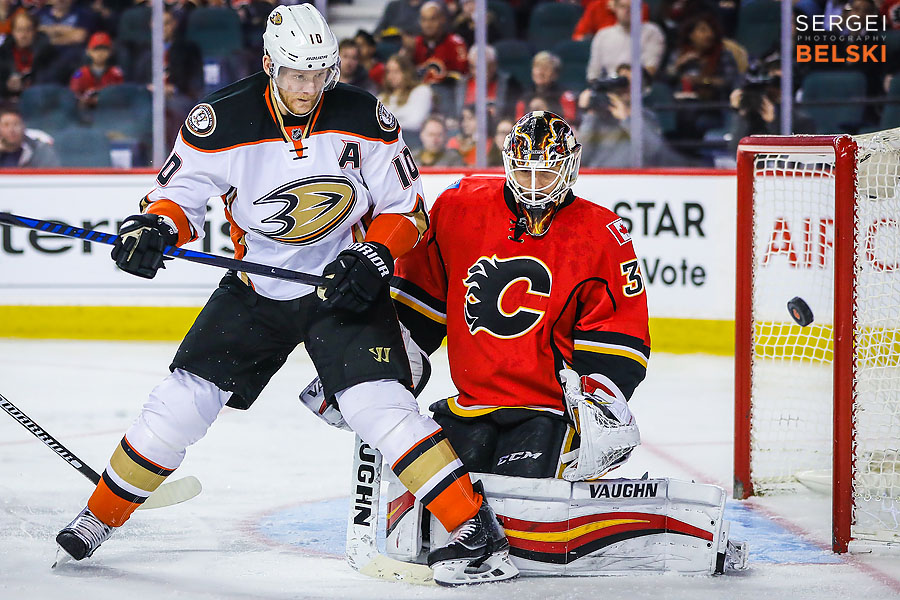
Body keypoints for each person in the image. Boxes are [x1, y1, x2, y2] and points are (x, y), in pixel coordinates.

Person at [53, 4, 517, 587]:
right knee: (181, 403)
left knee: (380, 406)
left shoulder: (364, 117)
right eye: (297, 75)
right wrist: (154, 230)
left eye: (320, 73)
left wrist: (374, 254)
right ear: (271, 65)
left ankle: (476, 532)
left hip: (341, 286)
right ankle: (99, 518)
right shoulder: (218, 122)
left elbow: (406, 210)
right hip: (255, 288)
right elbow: (179, 198)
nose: (308, 87)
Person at [390, 110, 650, 480]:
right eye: (524, 170)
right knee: (439, 497)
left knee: (523, 506)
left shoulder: (601, 232)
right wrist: (381, 363)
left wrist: (598, 402)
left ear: (569, 167)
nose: (533, 183)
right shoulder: (459, 206)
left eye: (545, 172)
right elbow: (423, 296)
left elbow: (619, 331)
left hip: (548, 410)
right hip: (470, 404)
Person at [586, 0, 665, 82]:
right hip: (609, 86)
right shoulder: (603, 35)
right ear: (615, 8)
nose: (627, 11)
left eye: (632, 7)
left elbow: (650, 69)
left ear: (640, 9)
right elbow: (593, 74)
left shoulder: (652, 32)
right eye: (623, 6)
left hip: (639, 87)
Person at [0, 10, 56, 101]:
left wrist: (29, 84)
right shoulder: (3, 52)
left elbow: (52, 80)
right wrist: (7, 85)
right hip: (7, 101)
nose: (23, 35)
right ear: (13, 32)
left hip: (38, 101)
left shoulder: (47, 52)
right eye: (19, 30)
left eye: (28, 30)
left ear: (35, 31)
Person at [413, 0, 468, 85]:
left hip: (449, 92)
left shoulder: (456, 44)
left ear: (442, 19)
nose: (428, 25)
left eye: (433, 19)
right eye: (424, 20)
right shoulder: (415, 44)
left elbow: (463, 77)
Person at [379, 53, 433, 134]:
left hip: (413, 139)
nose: (391, 76)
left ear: (407, 72)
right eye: (389, 72)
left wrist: (386, 126)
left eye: (396, 71)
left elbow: (415, 123)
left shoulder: (421, 91)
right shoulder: (382, 97)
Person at [68, 31, 122, 110]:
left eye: (104, 49)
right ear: (88, 51)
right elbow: (73, 94)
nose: (100, 53)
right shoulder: (81, 73)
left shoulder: (116, 73)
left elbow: (120, 96)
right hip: (85, 111)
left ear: (110, 52)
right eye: (96, 49)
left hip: (109, 111)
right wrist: (85, 101)